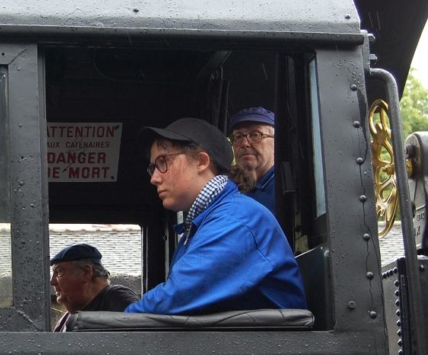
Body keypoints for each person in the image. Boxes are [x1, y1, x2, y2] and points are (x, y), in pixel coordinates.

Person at [125, 117, 306, 315]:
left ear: (201, 161)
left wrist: (116, 322)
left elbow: (176, 296)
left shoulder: (236, 220)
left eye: (163, 162)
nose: (154, 178)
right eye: (152, 167)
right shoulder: (205, 222)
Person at [50, 243, 138, 331]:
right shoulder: (65, 321)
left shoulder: (117, 298)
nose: (52, 282)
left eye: (59, 272)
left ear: (86, 272)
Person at [229, 107, 276, 214]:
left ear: (275, 142)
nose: (244, 143)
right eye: (238, 136)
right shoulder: (230, 188)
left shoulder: (283, 189)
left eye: (255, 135)